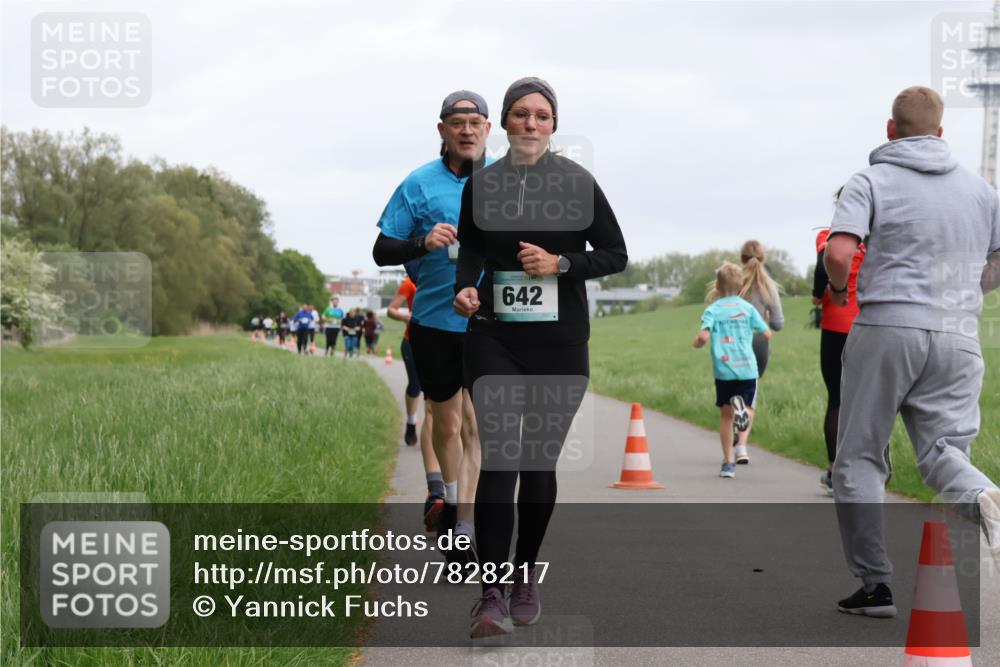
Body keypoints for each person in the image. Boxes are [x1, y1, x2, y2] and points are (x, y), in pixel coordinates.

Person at [454, 77, 627, 637]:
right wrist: (466, 287)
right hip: (494, 335)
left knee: (537, 463)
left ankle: (525, 572)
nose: (531, 123)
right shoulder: (482, 184)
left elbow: (616, 253)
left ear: (554, 126)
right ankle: (491, 594)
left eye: (542, 116)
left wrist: (562, 265)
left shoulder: (578, 183)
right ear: (503, 122)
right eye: (521, 114)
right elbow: (473, 248)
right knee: (501, 457)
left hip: (559, 340)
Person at [825, 85, 1000, 618]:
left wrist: (838, 292)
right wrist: (966, 294)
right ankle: (984, 496)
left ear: (889, 128)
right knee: (944, 450)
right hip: (958, 336)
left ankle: (876, 586)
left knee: (858, 457)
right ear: (942, 133)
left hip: (886, 327)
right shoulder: (982, 191)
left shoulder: (870, 180)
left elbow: (838, 252)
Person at [372, 89, 492, 557]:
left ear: (487, 129)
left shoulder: (508, 179)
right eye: (457, 122)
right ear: (442, 130)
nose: (467, 129)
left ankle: (464, 524)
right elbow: (383, 250)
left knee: (476, 427)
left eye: (475, 121)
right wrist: (422, 242)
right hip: (435, 323)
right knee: (445, 425)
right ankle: (444, 491)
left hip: (490, 324)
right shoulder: (419, 183)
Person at [694, 262, 771, 479]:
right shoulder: (748, 309)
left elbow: (703, 336)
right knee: (746, 405)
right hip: (747, 367)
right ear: (741, 285)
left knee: (725, 417)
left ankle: (728, 463)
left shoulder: (713, 310)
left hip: (724, 370)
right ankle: (743, 414)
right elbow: (767, 334)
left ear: (717, 286)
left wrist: (698, 342)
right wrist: (759, 326)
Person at [812, 192, 867, 495]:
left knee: (837, 398)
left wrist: (824, 292)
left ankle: (835, 472)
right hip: (870, 324)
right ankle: (865, 471)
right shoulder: (876, 240)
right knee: (868, 401)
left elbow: (823, 267)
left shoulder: (828, 236)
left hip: (835, 323)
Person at [388, 275, 445, 529]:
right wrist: (406, 316)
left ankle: (452, 497)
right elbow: (392, 309)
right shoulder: (411, 281)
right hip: (415, 341)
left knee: (445, 410)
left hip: (454, 341)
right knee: (418, 390)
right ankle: (412, 422)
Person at [731, 240, 783, 465]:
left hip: (733, 343)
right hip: (759, 344)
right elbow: (779, 323)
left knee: (733, 390)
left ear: (741, 259)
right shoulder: (769, 286)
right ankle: (741, 447)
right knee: (751, 394)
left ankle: (735, 413)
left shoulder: (733, 283)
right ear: (763, 258)